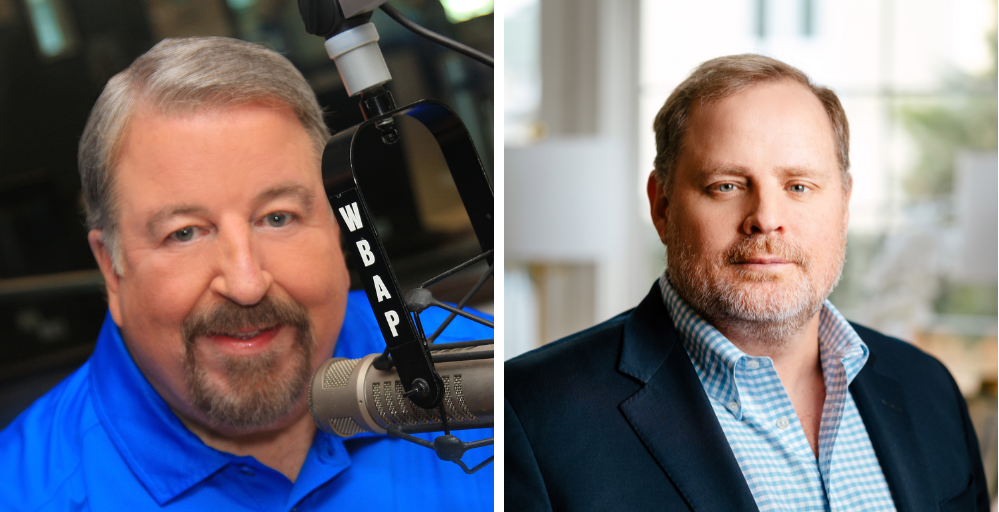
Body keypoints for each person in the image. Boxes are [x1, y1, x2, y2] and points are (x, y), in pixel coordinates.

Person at [0, 37, 492, 510]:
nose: (246, 283)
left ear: (338, 232)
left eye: (277, 218)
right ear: (112, 268)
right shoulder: (25, 496)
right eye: (184, 233)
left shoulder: (489, 372)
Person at [505, 54, 988, 511]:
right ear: (662, 206)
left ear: (843, 206)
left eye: (799, 186)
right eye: (726, 186)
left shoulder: (930, 389)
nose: (766, 218)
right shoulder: (528, 415)